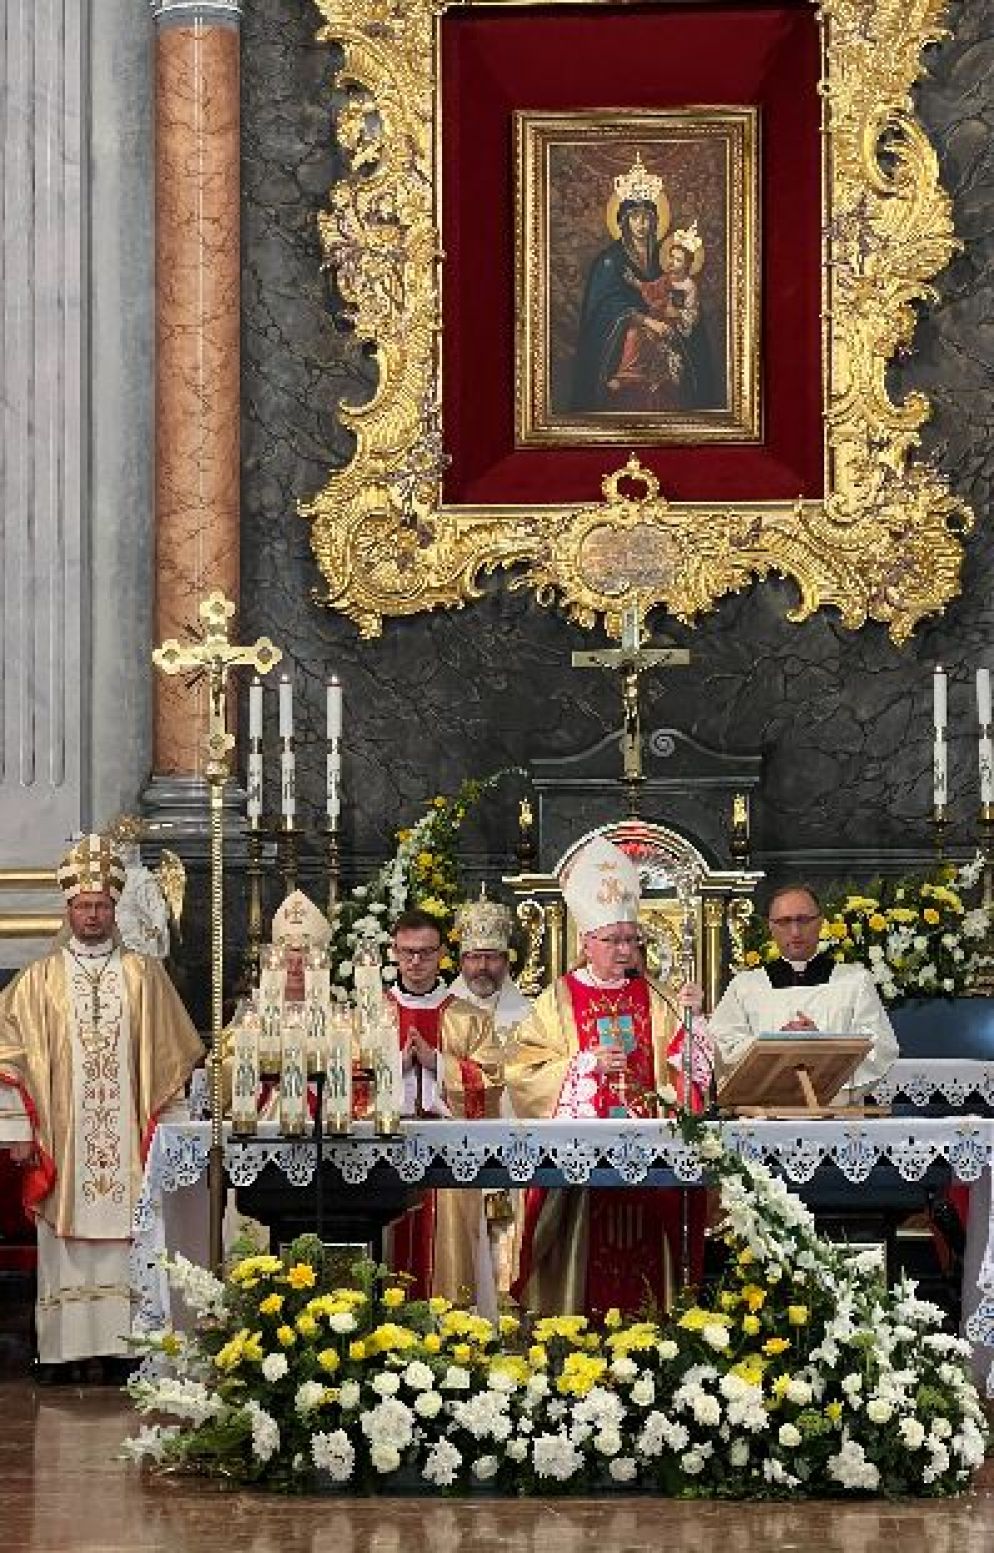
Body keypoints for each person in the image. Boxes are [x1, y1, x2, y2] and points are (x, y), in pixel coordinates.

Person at [0, 834, 204, 1382]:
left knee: (132, 1229)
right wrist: (19, 1128)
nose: (92, 914)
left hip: (129, 1139)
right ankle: (65, 1351)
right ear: (68, 909)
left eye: (102, 905)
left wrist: (173, 1128)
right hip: (63, 1142)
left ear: (115, 909)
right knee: (68, 1234)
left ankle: (126, 1346)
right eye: (83, 905)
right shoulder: (38, 981)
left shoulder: (144, 975)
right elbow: (10, 1055)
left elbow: (171, 1058)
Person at [506, 835, 711, 1317]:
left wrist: (693, 1023)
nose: (624, 950)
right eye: (613, 940)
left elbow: (690, 1073)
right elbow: (523, 1071)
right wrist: (583, 1066)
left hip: (651, 1162)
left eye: (630, 939)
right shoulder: (557, 999)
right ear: (586, 942)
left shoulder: (657, 997)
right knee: (584, 1266)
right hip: (583, 1166)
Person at [432, 890, 531, 1312]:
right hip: (459, 1140)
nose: (483, 967)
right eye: (474, 957)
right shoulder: (443, 1009)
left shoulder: (530, 1013)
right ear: (460, 959)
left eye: (492, 957)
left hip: (513, 1138)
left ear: (507, 960)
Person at [708, 884, 899, 1096]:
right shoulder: (745, 987)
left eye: (803, 920)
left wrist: (821, 1045)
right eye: (784, 922)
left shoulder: (854, 982)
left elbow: (879, 1049)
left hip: (836, 1117)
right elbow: (724, 1049)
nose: (795, 931)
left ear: (820, 922)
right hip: (764, 1116)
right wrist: (774, 1042)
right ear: (771, 927)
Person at [571, 154, 716, 413]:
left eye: (647, 217)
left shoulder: (667, 257)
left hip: (667, 339)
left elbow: (681, 297)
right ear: (624, 220)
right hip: (622, 345)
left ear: (655, 220)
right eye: (635, 216)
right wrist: (647, 321)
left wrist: (675, 316)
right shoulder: (609, 261)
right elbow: (604, 306)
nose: (642, 224)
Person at [384, 908, 454, 1296]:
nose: (416, 961)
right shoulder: (372, 1012)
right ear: (393, 952)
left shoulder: (465, 1015)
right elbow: (349, 1076)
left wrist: (437, 1063)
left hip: (446, 1160)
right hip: (386, 1152)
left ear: (442, 953)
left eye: (426, 952)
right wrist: (400, 1064)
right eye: (407, 951)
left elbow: (493, 1080)